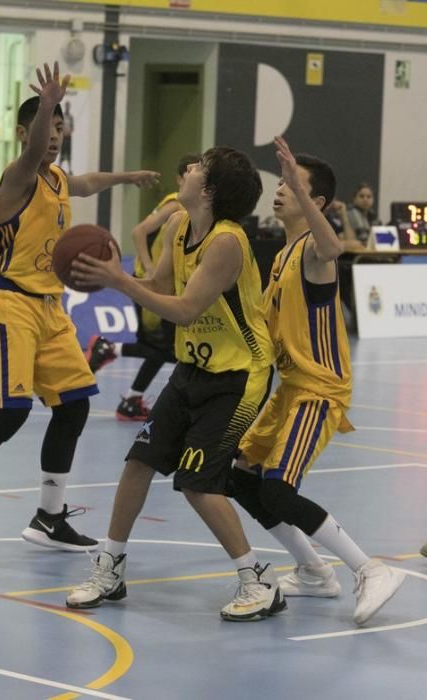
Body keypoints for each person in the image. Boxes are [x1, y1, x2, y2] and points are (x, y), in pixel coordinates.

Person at [0, 62, 160, 557]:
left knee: (74, 406)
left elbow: (86, 182)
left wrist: (129, 176)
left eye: (61, 130)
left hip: (50, 309)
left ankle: (48, 517)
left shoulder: (55, 180)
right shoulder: (17, 177)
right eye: (47, 129)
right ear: (27, 133)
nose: (54, 138)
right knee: (9, 414)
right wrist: (49, 102)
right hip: (9, 304)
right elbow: (31, 155)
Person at [66, 146, 285, 622]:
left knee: (198, 483)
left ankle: (258, 581)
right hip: (192, 369)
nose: (184, 170)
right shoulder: (178, 224)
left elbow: (185, 309)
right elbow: (160, 288)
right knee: (139, 460)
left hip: (239, 376)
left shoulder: (227, 242)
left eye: (196, 168)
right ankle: (112, 566)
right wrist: (115, 272)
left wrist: (119, 281)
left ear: (207, 190)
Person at [228, 136, 405, 626]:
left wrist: (306, 197)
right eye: (281, 183)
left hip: (319, 390)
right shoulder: (281, 257)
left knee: (280, 491)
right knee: (238, 477)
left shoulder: (312, 251)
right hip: (289, 390)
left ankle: (369, 569)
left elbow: (334, 246)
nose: (280, 190)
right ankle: (312, 570)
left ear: (317, 201)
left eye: (292, 185)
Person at [86, 153, 201, 421]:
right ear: (180, 178)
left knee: (163, 348)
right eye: (189, 173)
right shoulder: (175, 205)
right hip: (153, 285)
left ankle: (131, 399)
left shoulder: (182, 206)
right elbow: (138, 231)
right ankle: (111, 350)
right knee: (170, 350)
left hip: (158, 285)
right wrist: (149, 269)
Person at [59, 100, 74, 174]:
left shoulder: (71, 117)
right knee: (62, 152)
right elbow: (60, 126)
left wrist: (69, 131)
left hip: (69, 137)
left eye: (69, 106)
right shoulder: (63, 116)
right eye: (66, 106)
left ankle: (70, 169)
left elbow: (72, 127)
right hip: (63, 137)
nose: (67, 107)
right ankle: (59, 167)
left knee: (69, 153)